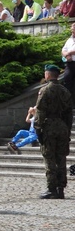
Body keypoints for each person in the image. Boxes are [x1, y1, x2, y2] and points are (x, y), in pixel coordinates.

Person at [34, 64, 73, 199]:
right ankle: (61, 188)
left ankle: (52, 189)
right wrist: (67, 129)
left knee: (50, 158)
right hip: (62, 126)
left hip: (49, 126)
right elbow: (69, 113)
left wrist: (37, 128)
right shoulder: (65, 91)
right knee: (61, 158)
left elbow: (40, 111)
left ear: (48, 75)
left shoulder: (45, 90)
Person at [60, 22, 75, 98]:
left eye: (73, 29)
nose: (72, 31)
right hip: (69, 64)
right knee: (67, 80)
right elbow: (63, 50)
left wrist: (69, 52)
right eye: (72, 29)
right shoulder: (69, 39)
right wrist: (66, 55)